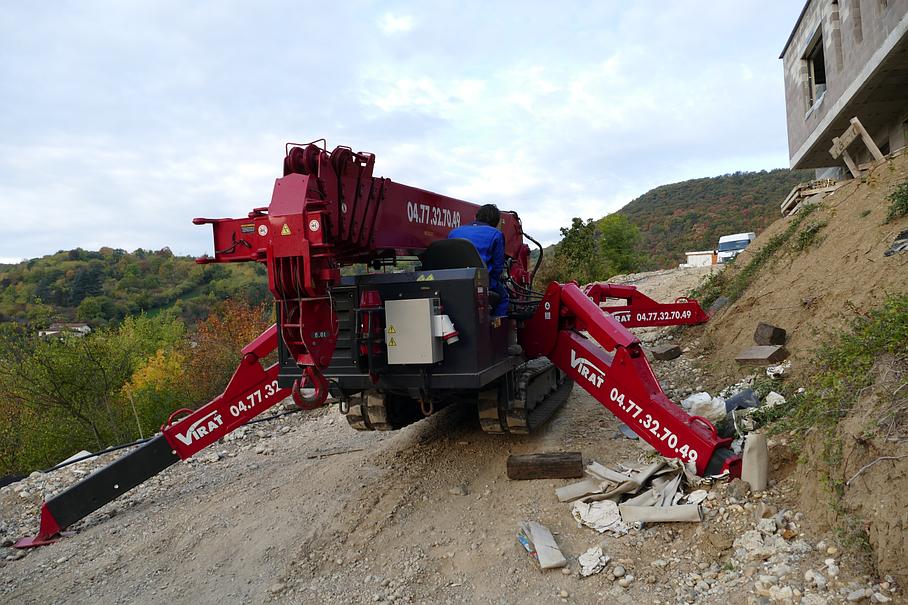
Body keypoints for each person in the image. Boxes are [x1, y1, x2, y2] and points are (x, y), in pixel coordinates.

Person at [448, 204, 509, 317]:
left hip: (454, 281)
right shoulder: (496, 234)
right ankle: (495, 329)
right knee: (504, 297)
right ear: (496, 221)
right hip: (480, 282)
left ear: (477, 216)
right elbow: (497, 267)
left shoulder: (454, 232)